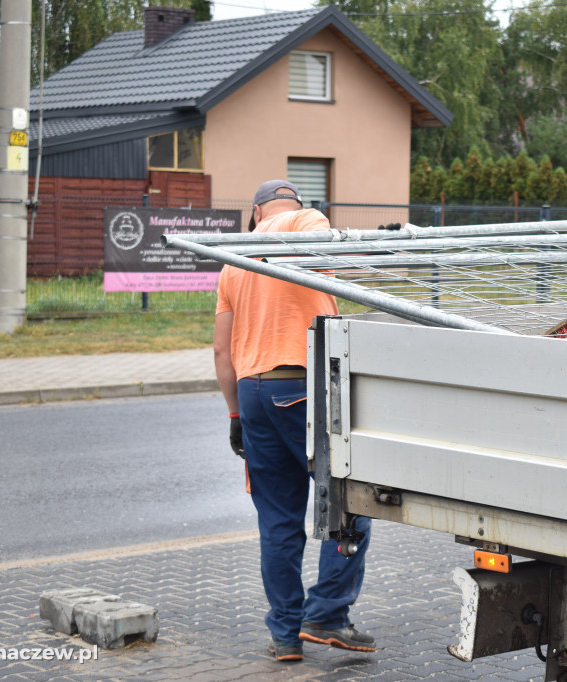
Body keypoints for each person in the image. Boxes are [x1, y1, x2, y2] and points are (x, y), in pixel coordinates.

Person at [214, 179, 374, 662]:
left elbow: (222, 349)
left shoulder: (234, 262)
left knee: (279, 520)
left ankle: (285, 634)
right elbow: (319, 234)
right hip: (301, 384)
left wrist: (235, 414)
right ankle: (326, 614)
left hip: (253, 392)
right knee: (349, 501)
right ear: (284, 208)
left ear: (255, 211)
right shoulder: (305, 222)